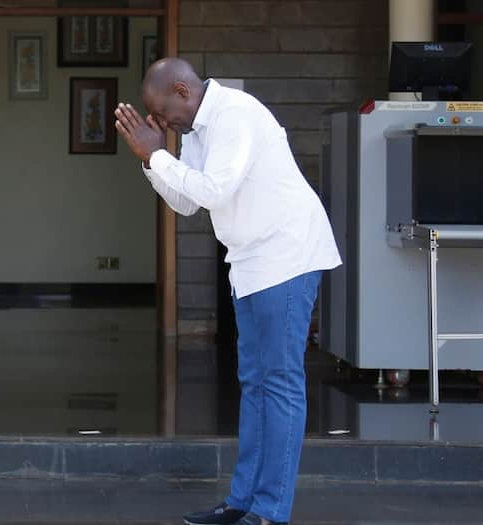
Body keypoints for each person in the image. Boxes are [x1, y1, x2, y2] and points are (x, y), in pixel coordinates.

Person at [114, 58, 341, 525]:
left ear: (182, 89)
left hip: (286, 255)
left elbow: (214, 191)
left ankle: (270, 511)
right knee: (255, 383)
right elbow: (188, 200)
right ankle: (242, 503)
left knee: (279, 384)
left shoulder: (235, 114)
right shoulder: (197, 130)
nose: (161, 121)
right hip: (252, 262)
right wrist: (150, 158)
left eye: (162, 110)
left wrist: (158, 153)